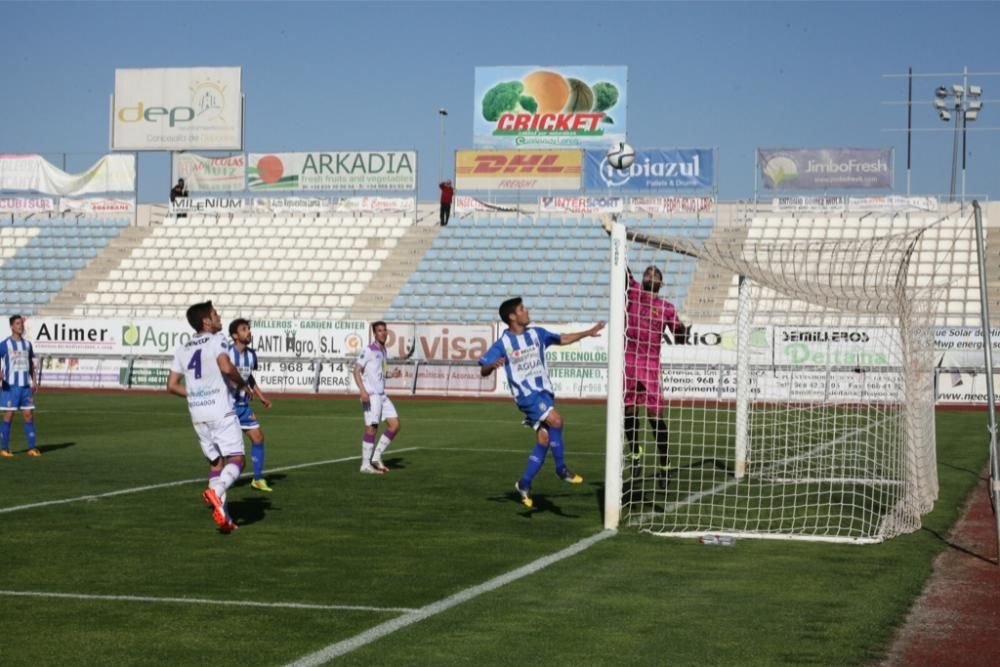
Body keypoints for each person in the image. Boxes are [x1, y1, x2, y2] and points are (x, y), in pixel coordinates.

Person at [479, 297, 605, 508]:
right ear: (512, 317)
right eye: (522, 309)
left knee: (544, 440)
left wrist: (587, 333)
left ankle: (524, 483)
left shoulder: (537, 334)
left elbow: (562, 339)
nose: (526, 311)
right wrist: (492, 365)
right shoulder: (503, 344)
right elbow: (483, 369)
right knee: (557, 421)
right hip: (527, 396)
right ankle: (561, 468)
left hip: (544, 393)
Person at [166, 301, 250, 533]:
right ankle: (217, 491)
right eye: (215, 314)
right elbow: (225, 366)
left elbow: (171, 386)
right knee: (237, 460)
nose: (219, 316)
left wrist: (194, 395)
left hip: (197, 412)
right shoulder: (217, 339)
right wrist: (242, 383)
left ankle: (224, 517)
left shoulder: (183, 348)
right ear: (206, 321)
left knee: (215, 462)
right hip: (220, 410)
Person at [624, 264, 689, 490]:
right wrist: (615, 238)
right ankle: (635, 452)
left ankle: (665, 462)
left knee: (655, 416)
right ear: (642, 279)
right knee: (629, 410)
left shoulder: (667, 308)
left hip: (650, 365)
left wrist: (683, 331)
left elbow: (680, 339)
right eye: (647, 273)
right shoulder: (632, 292)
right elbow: (624, 272)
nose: (650, 275)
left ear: (661, 283)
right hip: (629, 361)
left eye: (656, 275)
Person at [227, 318, 273, 492]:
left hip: (243, 406)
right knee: (229, 448)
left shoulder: (251, 355)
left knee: (258, 437)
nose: (249, 332)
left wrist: (261, 397)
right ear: (235, 335)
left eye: (249, 329)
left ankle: (258, 479)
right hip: (226, 407)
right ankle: (220, 480)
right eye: (244, 329)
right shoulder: (226, 354)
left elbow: (249, 377)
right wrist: (238, 386)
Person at [353, 320, 403, 474]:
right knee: (372, 428)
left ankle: (376, 456)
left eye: (384, 330)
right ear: (375, 333)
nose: (383, 333)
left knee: (395, 425)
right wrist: (362, 391)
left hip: (382, 395)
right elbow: (356, 370)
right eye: (379, 330)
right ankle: (365, 465)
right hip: (372, 395)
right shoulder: (368, 350)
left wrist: (392, 374)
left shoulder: (383, 351)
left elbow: (380, 372)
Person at [0, 315, 41, 457]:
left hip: (25, 387)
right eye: (17, 324)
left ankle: (31, 448)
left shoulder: (27, 344)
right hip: (10, 387)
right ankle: (4, 449)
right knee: (9, 415)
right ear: (12, 326)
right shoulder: (4, 344)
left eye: (21, 323)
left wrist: (34, 381)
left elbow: (30, 363)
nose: (20, 326)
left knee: (29, 415)